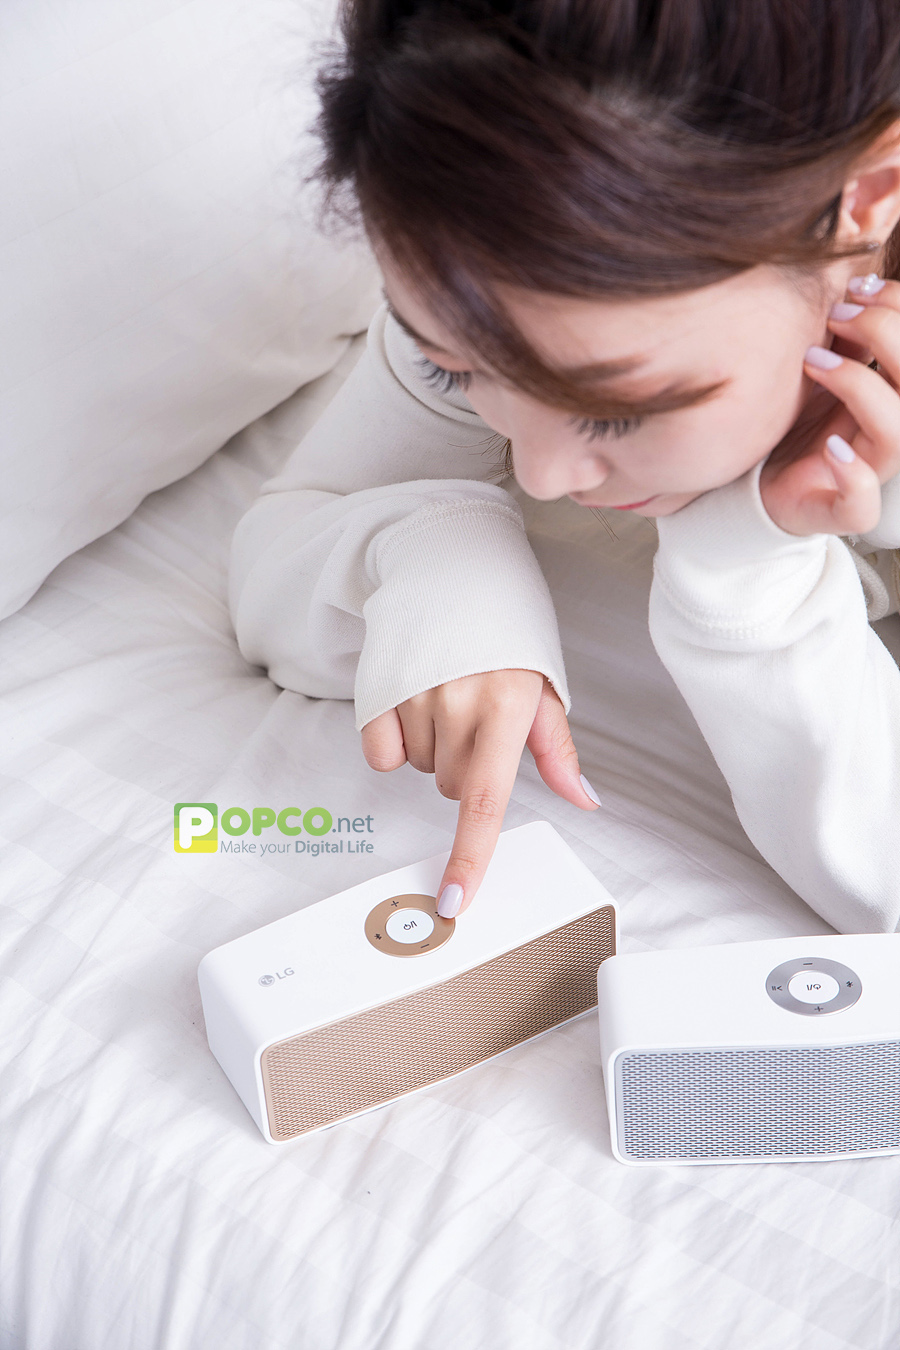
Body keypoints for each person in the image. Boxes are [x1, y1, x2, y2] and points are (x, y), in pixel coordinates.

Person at [228, 0, 900, 933]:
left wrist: (743, 574)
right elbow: (291, 534)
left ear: (862, 202)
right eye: (454, 368)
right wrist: (437, 561)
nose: (540, 475)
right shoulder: (487, 285)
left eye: (617, 410)